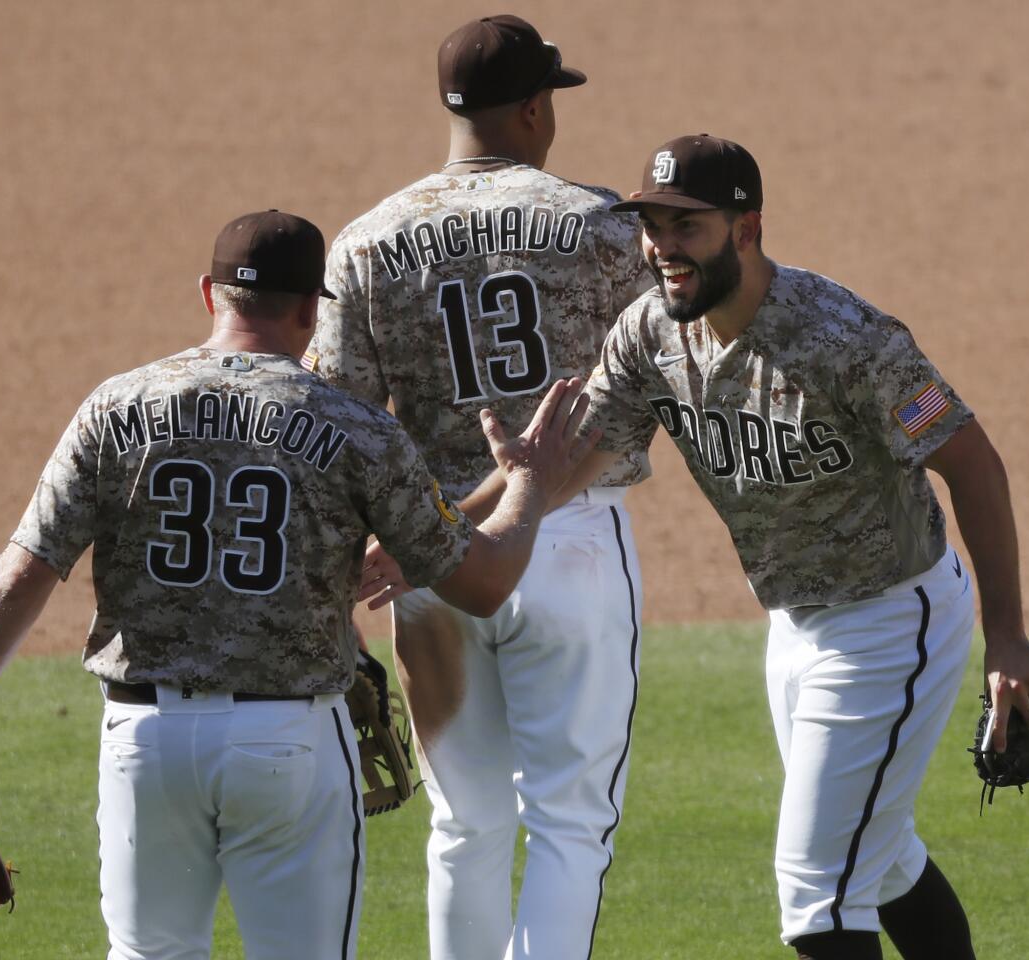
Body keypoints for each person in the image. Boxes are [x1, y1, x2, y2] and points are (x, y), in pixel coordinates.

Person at [0, 209, 599, 960]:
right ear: (309, 310)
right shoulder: (358, 431)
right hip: (288, 747)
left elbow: (19, 576)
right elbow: (483, 584)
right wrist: (526, 485)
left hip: (146, 743)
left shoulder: (116, 408)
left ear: (210, 294)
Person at [568, 135, 1029, 959]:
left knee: (817, 895)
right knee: (883, 858)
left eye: (686, 225)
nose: (662, 248)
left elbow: (973, 463)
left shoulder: (845, 338)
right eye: (652, 224)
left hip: (894, 620)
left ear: (745, 229)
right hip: (795, 627)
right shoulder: (650, 334)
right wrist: (448, 529)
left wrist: (1005, 634)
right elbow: (571, 457)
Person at [305, 15, 652, 960]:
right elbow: (639, 398)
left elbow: (334, 423)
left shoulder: (368, 242)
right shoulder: (600, 225)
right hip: (570, 542)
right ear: (536, 107)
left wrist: (367, 556)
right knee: (571, 826)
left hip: (431, 562)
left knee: (465, 823)